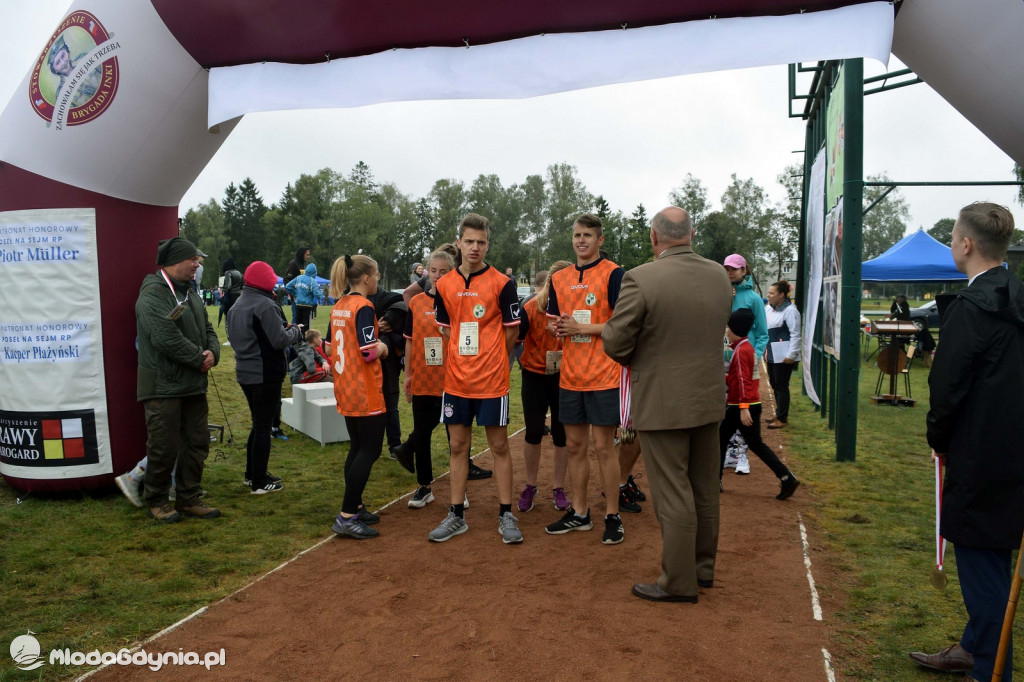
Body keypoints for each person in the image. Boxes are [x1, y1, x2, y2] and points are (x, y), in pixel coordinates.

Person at [911, 202, 1024, 682]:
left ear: (967, 244)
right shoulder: (1015, 296)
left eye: (954, 235)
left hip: (982, 457)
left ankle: (989, 669)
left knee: (982, 565)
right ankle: (974, 647)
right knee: (994, 557)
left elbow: (946, 389)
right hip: (1012, 453)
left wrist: (939, 439)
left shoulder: (973, 308)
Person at [602, 206, 732, 602]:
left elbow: (615, 341)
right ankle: (702, 569)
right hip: (708, 398)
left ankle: (677, 582)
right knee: (704, 487)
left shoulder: (640, 278)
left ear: (654, 238)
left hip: (662, 402)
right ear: (690, 233)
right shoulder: (719, 276)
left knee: (673, 491)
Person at [428, 213, 523, 544]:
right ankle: (456, 515)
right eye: (469, 241)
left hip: (492, 382)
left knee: (498, 445)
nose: (475, 247)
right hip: (456, 381)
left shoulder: (502, 283)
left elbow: (512, 333)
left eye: (481, 242)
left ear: (487, 244)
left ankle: (506, 513)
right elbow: (444, 328)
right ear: (459, 243)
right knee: (457, 445)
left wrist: (496, 359)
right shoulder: (444, 284)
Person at [544, 213, 627, 545]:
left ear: (600, 240)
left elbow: (622, 324)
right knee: (575, 446)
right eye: (577, 235)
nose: (581, 240)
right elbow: (553, 322)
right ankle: (579, 513)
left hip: (604, 375)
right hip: (571, 377)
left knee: (604, 448)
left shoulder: (614, 274)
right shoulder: (560, 278)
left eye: (588, 235)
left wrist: (583, 329)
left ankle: (612, 514)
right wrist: (559, 327)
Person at [135, 237, 221, 523]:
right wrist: (199, 358)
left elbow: (207, 326)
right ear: (173, 262)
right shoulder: (153, 294)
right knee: (163, 445)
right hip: (163, 386)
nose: (197, 264)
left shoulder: (190, 292)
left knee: (197, 443)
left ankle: (188, 497)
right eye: (192, 259)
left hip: (192, 385)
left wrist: (214, 352)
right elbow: (164, 337)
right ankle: (157, 499)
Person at [327, 254, 390, 540]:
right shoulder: (364, 306)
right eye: (376, 274)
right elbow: (368, 351)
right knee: (370, 449)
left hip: (345, 387)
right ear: (366, 278)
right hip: (364, 390)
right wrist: (385, 347)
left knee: (357, 447)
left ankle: (356, 505)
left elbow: (329, 348)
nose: (378, 279)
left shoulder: (339, 304)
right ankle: (347, 515)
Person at [226, 261, 303, 494]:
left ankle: (253, 474)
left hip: (246, 372)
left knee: (258, 424)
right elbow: (279, 340)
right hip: (265, 374)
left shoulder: (238, 304)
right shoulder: (265, 305)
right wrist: (296, 330)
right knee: (263, 427)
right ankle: (259, 481)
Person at [393, 249, 456, 506]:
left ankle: (458, 488)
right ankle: (424, 486)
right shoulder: (417, 303)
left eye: (443, 271)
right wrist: (408, 376)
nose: (438, 276)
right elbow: (409, 343)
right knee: (422, 433)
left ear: (451, 273)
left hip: (452, 380)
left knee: (456, 437)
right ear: (426, 272)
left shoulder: (456, 302)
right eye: (433, 271)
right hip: (423, 379)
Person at [720, 308, 800, 499]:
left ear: (735, 329)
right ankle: (786, 477)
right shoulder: (745, 347)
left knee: (730, 440)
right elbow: (739, 378)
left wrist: (743, 408)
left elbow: (742, 381)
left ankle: (786, 477)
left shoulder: (740, 351)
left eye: (728, 327)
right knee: (734, 440)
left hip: (740, 405)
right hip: (744, 403)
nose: (726, 331)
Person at [516, 263, 571, 513]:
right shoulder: (530, 306)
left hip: (563, 377)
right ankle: (530, 485)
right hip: (534, 376)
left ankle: (559, 488)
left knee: (561, 433)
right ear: (550, 281)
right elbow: (515, 339)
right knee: (534, 431)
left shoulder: (574, 307)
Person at [722, 253, 768, 475]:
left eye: (734, 269)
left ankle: (742, 455)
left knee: (744, 408)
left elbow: (762, 333)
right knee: (726, 411)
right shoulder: (721, 293)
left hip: (746, 361)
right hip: (722, 361)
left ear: (744, 270)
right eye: (727, 268)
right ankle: (729, 454)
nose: (730, 272)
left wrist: (754, 356)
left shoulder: (754, 299)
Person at [764, 280, 801, 429]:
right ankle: (779, 412)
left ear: (782, 295)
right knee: (774, 384)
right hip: (771, 354)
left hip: (784, 356)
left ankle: (782, 418)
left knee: (781, 386)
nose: (768, 295)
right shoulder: (768, 308)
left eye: (772, 293)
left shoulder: (791, 311)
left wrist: (791, 355)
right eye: (769, 292)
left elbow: (795, 334)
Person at [285, 263, 322, 330]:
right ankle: (305, 339)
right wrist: (320, 296)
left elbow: (288, 286)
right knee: (306, 324)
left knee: (298, 324)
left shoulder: (298, 278)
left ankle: (298, 338)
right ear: (314, 272)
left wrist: (295, 294)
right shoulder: (312, 281)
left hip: (298, 304)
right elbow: (316, 293)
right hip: (307, 305)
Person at [283, 246, 311, 324]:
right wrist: (293, 294)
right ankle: (294, 335)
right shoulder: (293, 264)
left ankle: (302, 335)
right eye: (307, 255)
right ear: (302, 254)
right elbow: (286, 279)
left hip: (305, 297)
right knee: (296, 317)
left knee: (304, 319)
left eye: (309, 255)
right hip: (296, 297)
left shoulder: (305, 264)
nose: (308, 257)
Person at [220, 256, 243, 323]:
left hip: (230, 296)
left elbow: (228, 286)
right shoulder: (239, 273)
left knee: (228, 315)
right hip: (238, 296)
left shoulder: (228, 273)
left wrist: (223, 289)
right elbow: (242, 285)